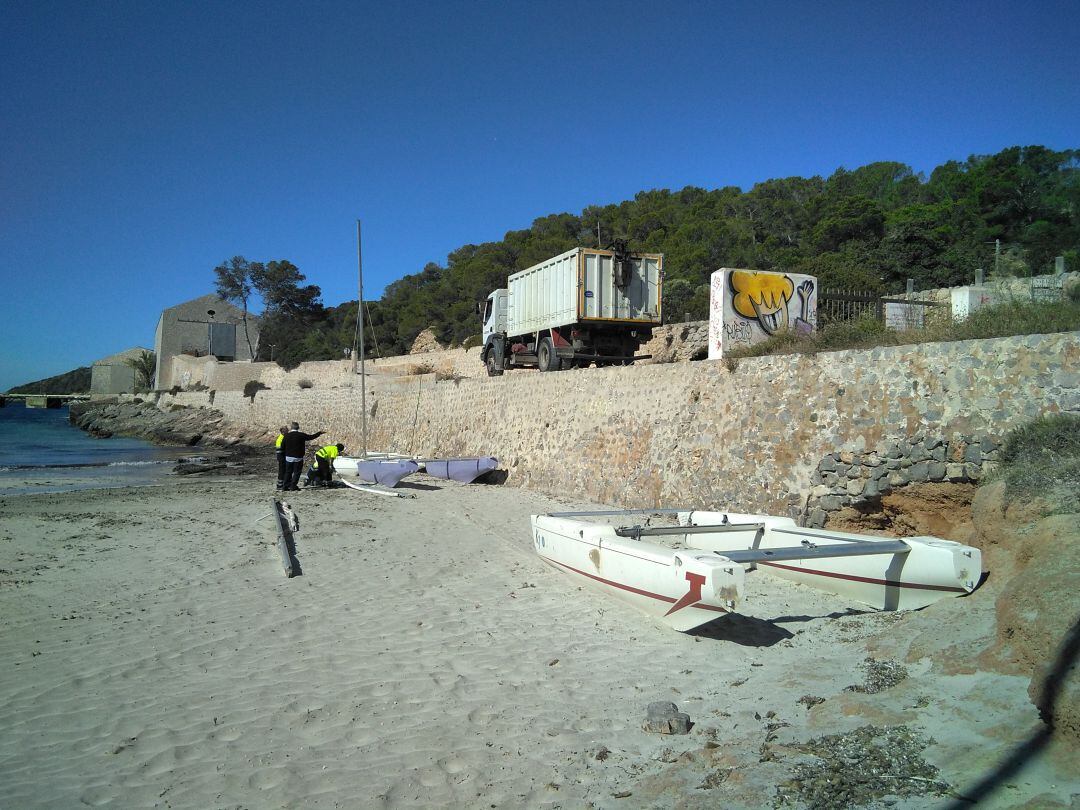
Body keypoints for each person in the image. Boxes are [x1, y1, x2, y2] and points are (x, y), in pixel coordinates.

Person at [281, 422, 325, 491]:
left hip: (288, 457)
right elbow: (311, 437)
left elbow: (282, 446)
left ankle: (285, 486)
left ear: (291, 428)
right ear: (298, 428)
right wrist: (319, 433)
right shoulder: (301, 435)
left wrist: (284, 455)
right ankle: (293, 486)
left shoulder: (286, 436)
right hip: (298, 457)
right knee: (297, 472)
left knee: (288, 472)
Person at [274, 426, 288, 490]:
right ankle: (280, 485)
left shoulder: (283, 437)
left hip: (282, 457)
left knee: (283, 471)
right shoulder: (280, 439)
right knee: (282, 471)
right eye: (287, 431)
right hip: (281, 457)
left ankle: (282, 484)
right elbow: (280, 450)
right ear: (283, 432)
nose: (288, 432)